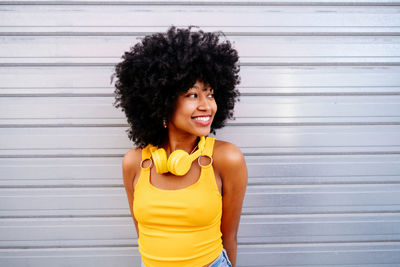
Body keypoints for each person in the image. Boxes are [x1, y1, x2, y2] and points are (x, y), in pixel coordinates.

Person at [113, 25, 248, 267]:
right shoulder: (134, 162)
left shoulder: (227, 158)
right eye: (193, 95)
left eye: (211, 94)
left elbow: (229, 236)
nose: (207, 106)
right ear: (162, 101)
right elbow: (142, 234)